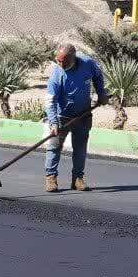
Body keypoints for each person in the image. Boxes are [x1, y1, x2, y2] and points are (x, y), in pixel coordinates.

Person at [43, 44, 108, 193]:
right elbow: (50, 101)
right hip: (62, 117)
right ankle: (51, 177)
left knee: (80, 149)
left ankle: (78, 179)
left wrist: (101, 93)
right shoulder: (56, 75)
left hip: (83, 115)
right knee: (54, 147)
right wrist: (54, 122)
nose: (61, 64)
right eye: (58, 61)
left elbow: (98, 77)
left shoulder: (88, 63)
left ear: (74, 58)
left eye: (64, 61)